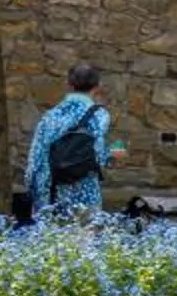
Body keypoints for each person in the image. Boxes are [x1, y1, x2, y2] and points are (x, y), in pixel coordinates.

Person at [23, 64, 113, 221]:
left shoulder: (50, 115)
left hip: (51, 193)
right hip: (86, 193)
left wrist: (33, 190)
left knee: (50, 242)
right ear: (97, 87)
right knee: (84, 242)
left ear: (69, 84)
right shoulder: (99, 115)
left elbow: (35, 158)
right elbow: (97, 156)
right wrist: (112, 152)